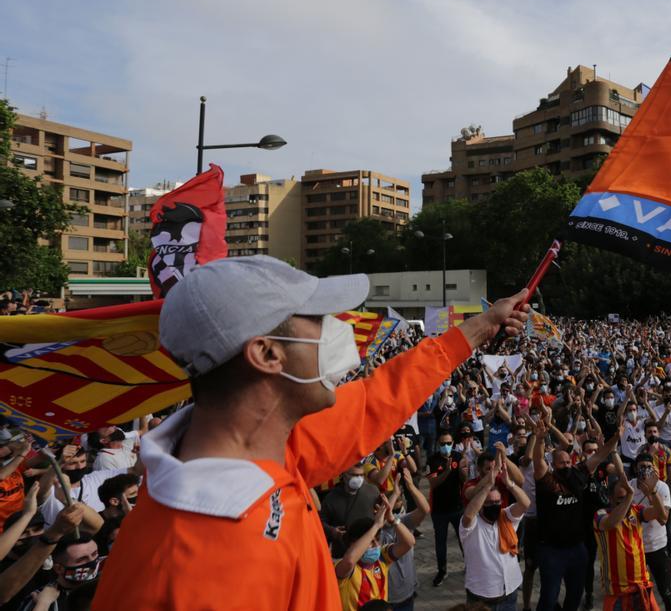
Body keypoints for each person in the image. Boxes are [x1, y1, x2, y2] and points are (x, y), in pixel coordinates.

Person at [92, 256, 528, 608]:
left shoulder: (275, 446)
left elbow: (381, 398)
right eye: (316, 318)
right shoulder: (191, 567)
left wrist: (482, 326)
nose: (337, 330)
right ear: (266, 354)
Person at [533, 410, 619, 611]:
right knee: (548, 597)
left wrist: (616, 437)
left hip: (577, 548)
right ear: (553, 466)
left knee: (575, 595)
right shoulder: (547, 480)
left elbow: (600, 454)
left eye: (567, 462)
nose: (565, 465)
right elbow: (538, 463)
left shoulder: (579, 473)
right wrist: (539, 440)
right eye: (561, 463)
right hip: (551, 550)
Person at [594, 464, 666, 611]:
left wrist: (652, 492)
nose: (625, 501)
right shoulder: (600, 515)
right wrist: (630, 496)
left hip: (641, 585)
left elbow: (661, 515)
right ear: (610, 498)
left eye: (626, 496)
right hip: (618, 592)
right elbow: (612, 523)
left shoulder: (636, 511)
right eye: (620, 498)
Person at [460, 462, 531, 610]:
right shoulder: (471, 525)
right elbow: (468, 514)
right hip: (481, 597)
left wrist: (509, 484)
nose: (494, 505)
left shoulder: (506, 516)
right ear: (481, 505)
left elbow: (525, 503)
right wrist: (487, 487)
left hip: (509, 592)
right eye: (489, 502)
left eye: (497, 501)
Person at [334, 492, 416, 611]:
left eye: (377, 540)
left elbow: (409, 543)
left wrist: (393, 520)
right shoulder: (343, 567)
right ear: (353, 543)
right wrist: (376, 526)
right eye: (370, 542)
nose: (376, 545)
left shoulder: (382, 558)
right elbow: (350, 561)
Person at [632, 453, 671, 611]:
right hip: (637, 549)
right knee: (639, 593)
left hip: (657, 547)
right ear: (635, 468)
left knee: (666, 591)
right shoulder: (629, 487)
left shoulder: (662, 487)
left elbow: (663, 519)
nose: (645, 470)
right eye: (642, 467)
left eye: (649, 467)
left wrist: (651, 492)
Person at [382, 467, 429, 611]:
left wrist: (411, 487)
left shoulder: (402, 521)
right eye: (390, 508)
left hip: (407, 594)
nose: (394, 513)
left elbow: (424, 509)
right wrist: (394, 494)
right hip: (385, 599)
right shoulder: (373, 531)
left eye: (398, 507)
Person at [429, 430, 468, 587]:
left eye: (449, 443)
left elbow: (464, 480)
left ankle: (470, 566)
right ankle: (442, 570)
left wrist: (461, 470)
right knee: (440, 542)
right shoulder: (433, 460)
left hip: (457, 508)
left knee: (464, 540)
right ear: (438, 444)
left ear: (453, 443)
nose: (446, 446)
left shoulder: (458, 457)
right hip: (439, 510)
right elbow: (433, 483)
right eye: (443, 443)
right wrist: (446, 471)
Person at [322, 462, 383, 541]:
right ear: (343, 475)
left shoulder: (373, 491)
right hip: (344, 547)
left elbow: (381, 513)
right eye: (354, 475)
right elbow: (320, 522)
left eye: (361, 475)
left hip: (369, 545)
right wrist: (332, 531)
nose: (358, 479)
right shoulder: (331, 498)